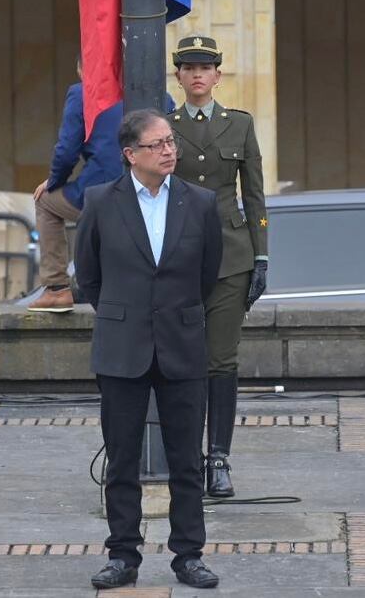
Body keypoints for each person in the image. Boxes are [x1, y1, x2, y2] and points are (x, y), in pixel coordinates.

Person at [75, 109, 223, 590]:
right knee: (122, 458)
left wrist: (172, 312)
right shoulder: (100, 201)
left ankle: (188, 556)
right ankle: (123, 555)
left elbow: (208, 273)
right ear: (130, 153)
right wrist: (126, 313)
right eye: (157, 144)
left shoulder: (199, 202)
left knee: (186, 458)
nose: (168, 151)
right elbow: (89, 276)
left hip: (182, 343)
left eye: (170, 142)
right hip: (122, 347)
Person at [167, 34, 268, 498]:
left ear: (218, 75)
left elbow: (254, 195)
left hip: (231, 255)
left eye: (205, 68)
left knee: (221, 360)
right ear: (179, 77)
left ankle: (219, 458)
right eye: (188, 68)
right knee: (179, 360)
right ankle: (185, 454)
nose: (197, 75)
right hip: (180, 255)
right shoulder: (164, 127)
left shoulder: (239, 125)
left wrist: (261, 255)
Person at [30, 56, 175, 312]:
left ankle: (56, 289)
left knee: (46, 202)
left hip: (102, 191)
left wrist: (54, 182)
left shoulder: (82, 94)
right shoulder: (161, 96)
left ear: (82, 71)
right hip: (155, 192)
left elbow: (66, 152)